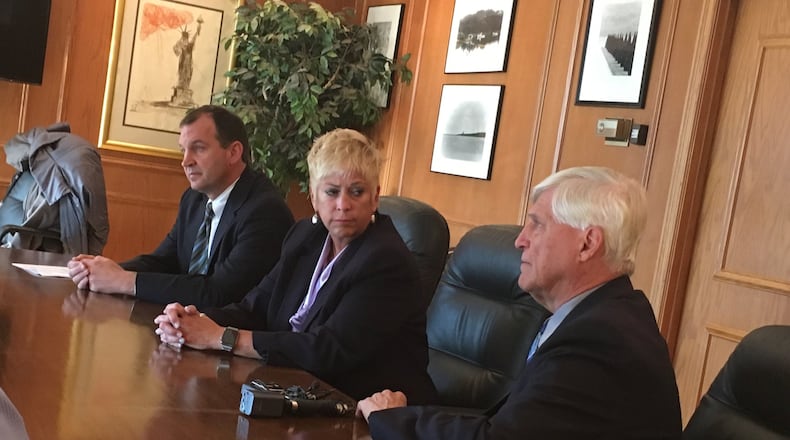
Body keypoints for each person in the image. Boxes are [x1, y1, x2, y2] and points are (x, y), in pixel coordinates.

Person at [356, 166, 682, 439]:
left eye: (537, 224)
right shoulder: (600, 315)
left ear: (587, 244)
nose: (520, 240)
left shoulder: (600, 340)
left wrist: (395, 419)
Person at [153, 128, 438, 404]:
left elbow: (326, 350)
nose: (343, 204)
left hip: (366, 410)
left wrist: (221, 337)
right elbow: (256, 308)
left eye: (357, 192)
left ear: (375, 197)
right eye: (331, 192)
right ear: (313, 197)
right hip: (296, 388)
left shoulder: (385, 260)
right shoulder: (306, 237)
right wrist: (192, 322)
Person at [67, 105, 294, 308]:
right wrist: (103, 270)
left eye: (199, 148)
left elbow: (219, 293)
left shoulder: (264, 212)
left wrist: (123, 281)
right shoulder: (194, 199)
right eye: (183, 150)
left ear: (233, 152)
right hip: (184, 329)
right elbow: (164, 261)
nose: (185, 161)